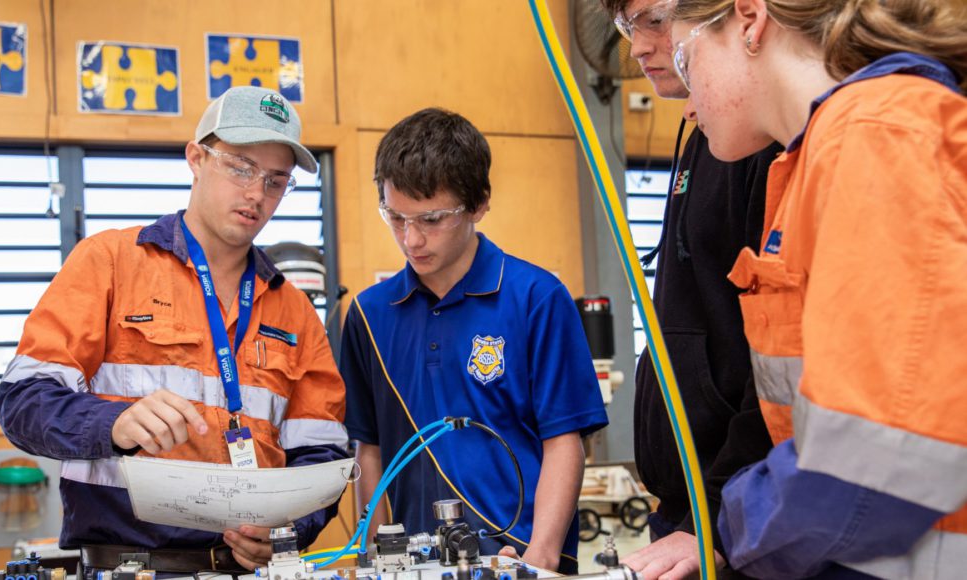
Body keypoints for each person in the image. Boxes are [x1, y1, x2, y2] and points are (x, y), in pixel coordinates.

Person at [0, 86, 348, 575]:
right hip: (125, 565)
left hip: (247, 569)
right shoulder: (110, 263)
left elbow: (321, 451)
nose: (255, 194)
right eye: (241, 167)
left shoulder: (294, 311)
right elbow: (23, 403)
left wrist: (291, 530)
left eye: (275, 180)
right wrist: (112, 424)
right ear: (196, 158)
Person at [669, 0, 967, 577]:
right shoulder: (816, 157)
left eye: (686, 62)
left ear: (749, 20)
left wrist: (731, 522)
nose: (686, 104)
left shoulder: (876, 133)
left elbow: (874, 462)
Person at [339, 108, 609, 574]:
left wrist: (539, 557)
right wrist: (376, 559)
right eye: (395, 217)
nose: (411, 239)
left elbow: (564, 440)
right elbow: (370, 449)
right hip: (413, 564)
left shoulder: (536, 299)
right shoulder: (369, 314)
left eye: (432, 219)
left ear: (480, 203)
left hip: (515, 558)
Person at [600, 1, 779, 577]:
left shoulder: (765, 142)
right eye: (629, 29)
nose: (640, 46)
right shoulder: (705, 134)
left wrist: (721, 519)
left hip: (743, 512)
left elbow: (782, 368)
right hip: (690, 508)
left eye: (655, 19)